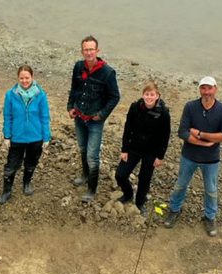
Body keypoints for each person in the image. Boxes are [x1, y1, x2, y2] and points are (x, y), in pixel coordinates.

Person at [164, 76, 222, 236]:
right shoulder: (190, 107)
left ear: (215, 89)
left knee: (211, 190)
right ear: (200, 89)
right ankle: (174, 210)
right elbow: (183, 132)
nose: (206, 92)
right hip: (189, 156)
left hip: (211, 159)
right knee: (181, 184)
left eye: (209, 88)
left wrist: (200, 134)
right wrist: (204, 143)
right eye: (203, 88)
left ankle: (209, 217)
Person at [66, 35, 120, 203]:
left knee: (92, 156)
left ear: (97, 51)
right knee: (82, 148)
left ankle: (91, 188)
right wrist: (70, 107)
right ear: (82, 51)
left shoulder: (108, 72)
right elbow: (74, 88)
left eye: (91, 49)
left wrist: (102, 115)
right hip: (79, 116)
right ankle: (84, 174)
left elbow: (115, 97)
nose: (89, 52)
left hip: (95, 120)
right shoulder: (78, 67)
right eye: (86, 49)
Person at [115, 81, 171, 217]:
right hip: (134, 147)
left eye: (152, 94)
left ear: (157, 96)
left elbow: (165, 136)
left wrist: (160, 156)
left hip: (151, 151)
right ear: (143, 95)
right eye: (147, 94)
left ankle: (140, 202)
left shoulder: (163, 113)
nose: (149, 97)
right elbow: (127, 128)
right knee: (120, 175)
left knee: (144, 178)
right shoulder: (135, 107)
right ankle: (128, 194)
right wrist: (124, 149)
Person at [0, 65, 51, 205]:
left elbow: (45, 116)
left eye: (27, 78)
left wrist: (46, 137)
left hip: (36, 137)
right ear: (18, 78)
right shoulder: (11, 94)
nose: (24, 81)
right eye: (22, 78)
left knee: (31, 163)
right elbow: (7, 116)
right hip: (17, 137)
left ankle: (27, 183)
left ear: (32, 77)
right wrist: (7, 136)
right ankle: (6, 191)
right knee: (11, 165)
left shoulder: (40, 94)